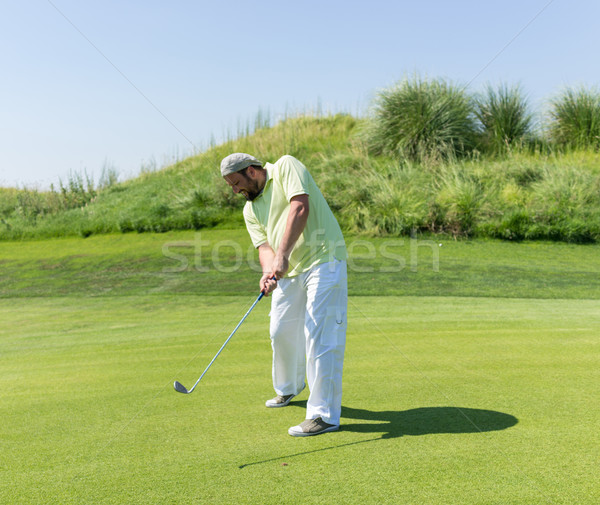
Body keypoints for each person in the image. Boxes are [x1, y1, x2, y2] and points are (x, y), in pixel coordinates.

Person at [220, 152, 348, 436]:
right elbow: (264, 248)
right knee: (280, 331)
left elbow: (299, 207)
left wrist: (283, 255)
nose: (234, 190)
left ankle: (323, 415)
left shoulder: (285, 166)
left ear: (252, 171)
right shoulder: (250, 209)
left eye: (236, 182)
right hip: (288, 271)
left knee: (320, 335)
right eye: (230, 185)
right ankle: (289, 388)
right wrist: (269, 271)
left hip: (324, 260)